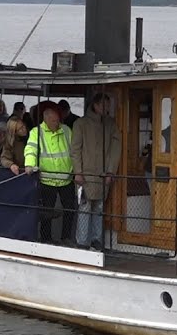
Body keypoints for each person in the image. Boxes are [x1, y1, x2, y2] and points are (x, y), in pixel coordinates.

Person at [71, 92, 122, 250]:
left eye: (108, 105)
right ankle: (82, 243)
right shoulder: (81, 124)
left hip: (102, 174)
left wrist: (110, 172)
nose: (106, 109)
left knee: (99, 208)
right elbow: (75, 150)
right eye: (104, 105)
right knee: (85, 207)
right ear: (95, 105)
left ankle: (96, 241)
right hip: (85, 174)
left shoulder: (110, 125)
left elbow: (116, 149)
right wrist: (78, 172)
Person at [25, 103, 76, 243]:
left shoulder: (66, 130)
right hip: (47, 179)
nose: (56, 123)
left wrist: (77, 170)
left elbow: (74, 151)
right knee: (47, 212)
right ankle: (46, 239)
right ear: (45, 119)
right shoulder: (36, 132)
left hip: (66, 178)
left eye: (57, 119)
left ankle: (66, 238)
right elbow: (31, 149)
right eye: (53, 120)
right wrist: (29, 164)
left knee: (70, 210)